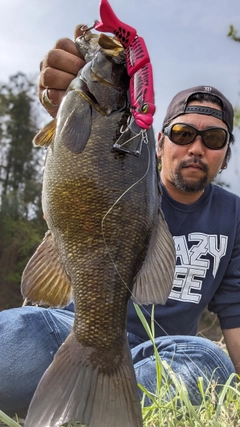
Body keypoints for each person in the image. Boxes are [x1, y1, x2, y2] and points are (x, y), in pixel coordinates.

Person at [0, 26, 239, 418]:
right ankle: (85, 398)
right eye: (182, 132)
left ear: (225, 154)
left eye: (213, 139)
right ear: (159, 143)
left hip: (170, 349)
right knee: (12, 340)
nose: (196, 147)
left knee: (208, 364)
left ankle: (77, 405)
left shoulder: (234, 216)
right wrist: (63, 99)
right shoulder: (118, 143)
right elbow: (82, 146)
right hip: (70, 324)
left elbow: (237, 314)